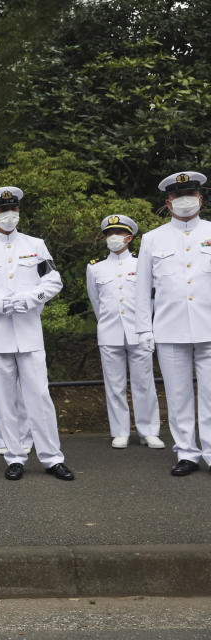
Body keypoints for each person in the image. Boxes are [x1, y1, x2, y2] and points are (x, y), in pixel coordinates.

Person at [0, 187, 74, 481]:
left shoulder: (36, 245)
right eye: (2, 211)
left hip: (29, 333)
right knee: (4, 399)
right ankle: (14, 456)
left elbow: (53, 281)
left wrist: (31, 298)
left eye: (13, 210)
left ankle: (52, 457)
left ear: (19, 212)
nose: (8, 216)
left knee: (39, 396)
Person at [135, 171, 211, 476]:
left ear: (201, 199)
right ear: (168, 203)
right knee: (178, 396)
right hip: (170, 329)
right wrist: (143, 328)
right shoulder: (153, 239)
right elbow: (141, 288)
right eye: (178, 198)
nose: (184, 202)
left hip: (210, 327)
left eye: (190, 196)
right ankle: (187, 453)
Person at [86, 214, 164, 450]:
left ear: (129, 237)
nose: (113, 238)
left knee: (144, 383)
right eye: (109, 234)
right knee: (114, 384)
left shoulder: (142, 263)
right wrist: (108, 324)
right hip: (109, 332)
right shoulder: (95, 268)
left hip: (138, 331)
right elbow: (96, 303)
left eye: (118, 233)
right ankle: (119, 431)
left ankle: (149, 431)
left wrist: (147, 328)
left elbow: (151, 300)